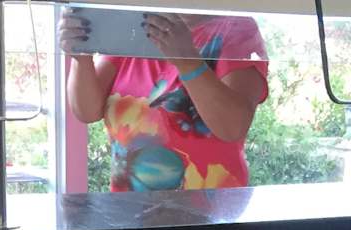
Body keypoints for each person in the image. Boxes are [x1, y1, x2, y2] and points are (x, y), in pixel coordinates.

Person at [59, 11, 268, 192]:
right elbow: (86, 111)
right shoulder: (131, 29)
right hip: (131, 214)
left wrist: (188, 62)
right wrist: (81, 57)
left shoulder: (236, 29)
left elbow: (232, 127)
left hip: (212, 216)